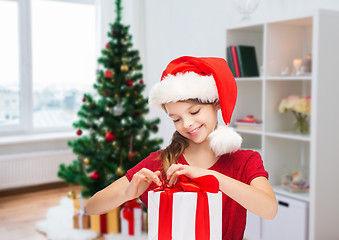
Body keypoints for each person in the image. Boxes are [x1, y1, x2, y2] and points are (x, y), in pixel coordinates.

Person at [86, 56, 278, 240]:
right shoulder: (161, 162)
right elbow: (92, 206)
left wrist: (211, 178)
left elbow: (269, 209)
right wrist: (128, 194)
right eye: (176, 119)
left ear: (216, 104)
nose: (187, 124)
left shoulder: (244, 161)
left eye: (194, 111)